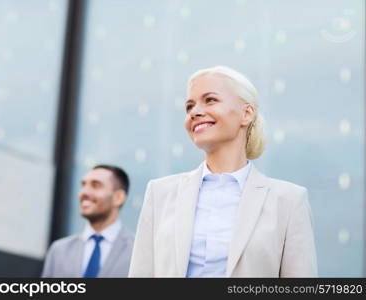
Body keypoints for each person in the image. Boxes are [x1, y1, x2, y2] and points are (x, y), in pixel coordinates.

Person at [129, 66, 317, 277]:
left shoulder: (289, 201)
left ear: (246, 114)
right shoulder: (159, 193)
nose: (195, 112)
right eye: (189, 106)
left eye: (210, 100)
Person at [42, 165, 134, 277]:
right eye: (83, 185)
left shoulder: (136, 251)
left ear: (118, 197)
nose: (84, 193)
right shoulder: (59, 250)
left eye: (95, 185)